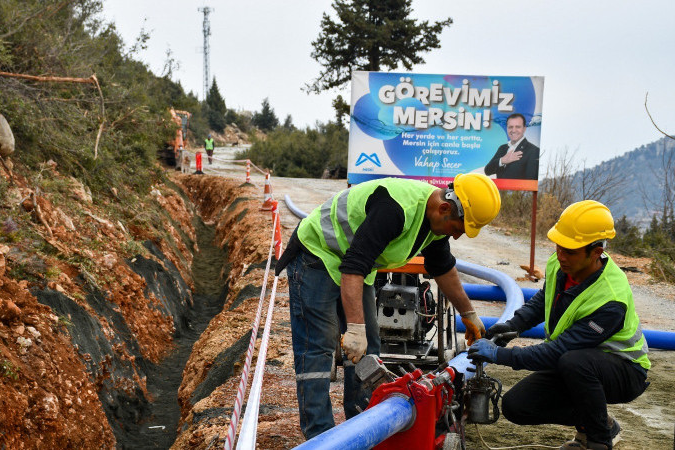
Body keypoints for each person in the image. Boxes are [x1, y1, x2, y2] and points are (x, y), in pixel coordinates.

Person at [274, 173, 501, 439]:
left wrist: (469, 315)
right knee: (318, 348)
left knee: (369, 345)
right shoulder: (395, 210)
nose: (457, 237)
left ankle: (362, 426)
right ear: (444, 208)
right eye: (458, 229)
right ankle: (321, 438)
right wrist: (354, 329)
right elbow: (353, 267)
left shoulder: (435, 221)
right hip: (317, 254)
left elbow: (443, 267)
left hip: (355, 267)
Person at [468, 200, 649, 450]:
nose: (560, 256)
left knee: (574, 363)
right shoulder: (561, 262)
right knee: (516, 406)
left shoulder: (610, 298)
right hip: (577, 363)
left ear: (596, 252)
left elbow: (557, 352)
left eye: (570, 251)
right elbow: (546, 298)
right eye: (559, 247)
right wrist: (514, 324)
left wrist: (501, 355)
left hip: (624, 370)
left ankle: (597, 441)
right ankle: (599, 422)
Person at [484, 113, 540, 180]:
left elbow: (531, 182)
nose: (513, 130)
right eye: (510, 127)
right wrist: (502, 161)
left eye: (518, 127)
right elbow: (487, 171)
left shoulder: (533, 151)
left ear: (524, 129)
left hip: (516, 190)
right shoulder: (502, 148)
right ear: (507, 128)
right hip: (498, 190)